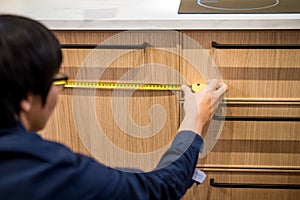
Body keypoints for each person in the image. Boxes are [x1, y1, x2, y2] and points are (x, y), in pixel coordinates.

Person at [0, 14, 228, 200]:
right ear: (27, 99)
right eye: (56, 80)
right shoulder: (47, 170)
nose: (58, 89)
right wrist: (194, 120)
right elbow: (159, 190)